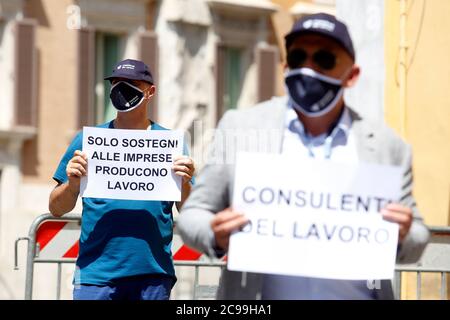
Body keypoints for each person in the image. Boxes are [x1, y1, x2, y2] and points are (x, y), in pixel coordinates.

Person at [177, 13, 429, 300]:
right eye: (298, 57)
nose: (308, 68)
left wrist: (403, 234)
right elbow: (192, 215)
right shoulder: (241, 128)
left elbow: (419, 235)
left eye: (324, 59)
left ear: (352, 75)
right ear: (285, 66)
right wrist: (214, 234)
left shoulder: (387, 146)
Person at [48, 59, 195, 300]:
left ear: (151, 91)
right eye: (116, 83)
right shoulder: (87, 141)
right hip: (95, 276)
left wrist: (186, 183)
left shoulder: (171, 146)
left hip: (153, 276)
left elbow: (189, 211)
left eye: (131, 83)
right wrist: (73, 185)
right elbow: (55, 207)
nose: (121, 89)